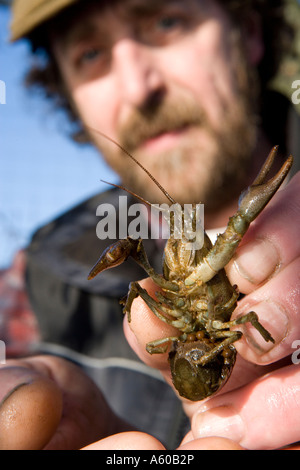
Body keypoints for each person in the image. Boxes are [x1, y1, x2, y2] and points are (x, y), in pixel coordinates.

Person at [1, 0, 300, 450]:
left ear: (248, 32)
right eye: (90, 54)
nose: (140, 87)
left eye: (165, 21)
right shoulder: (33, 281)